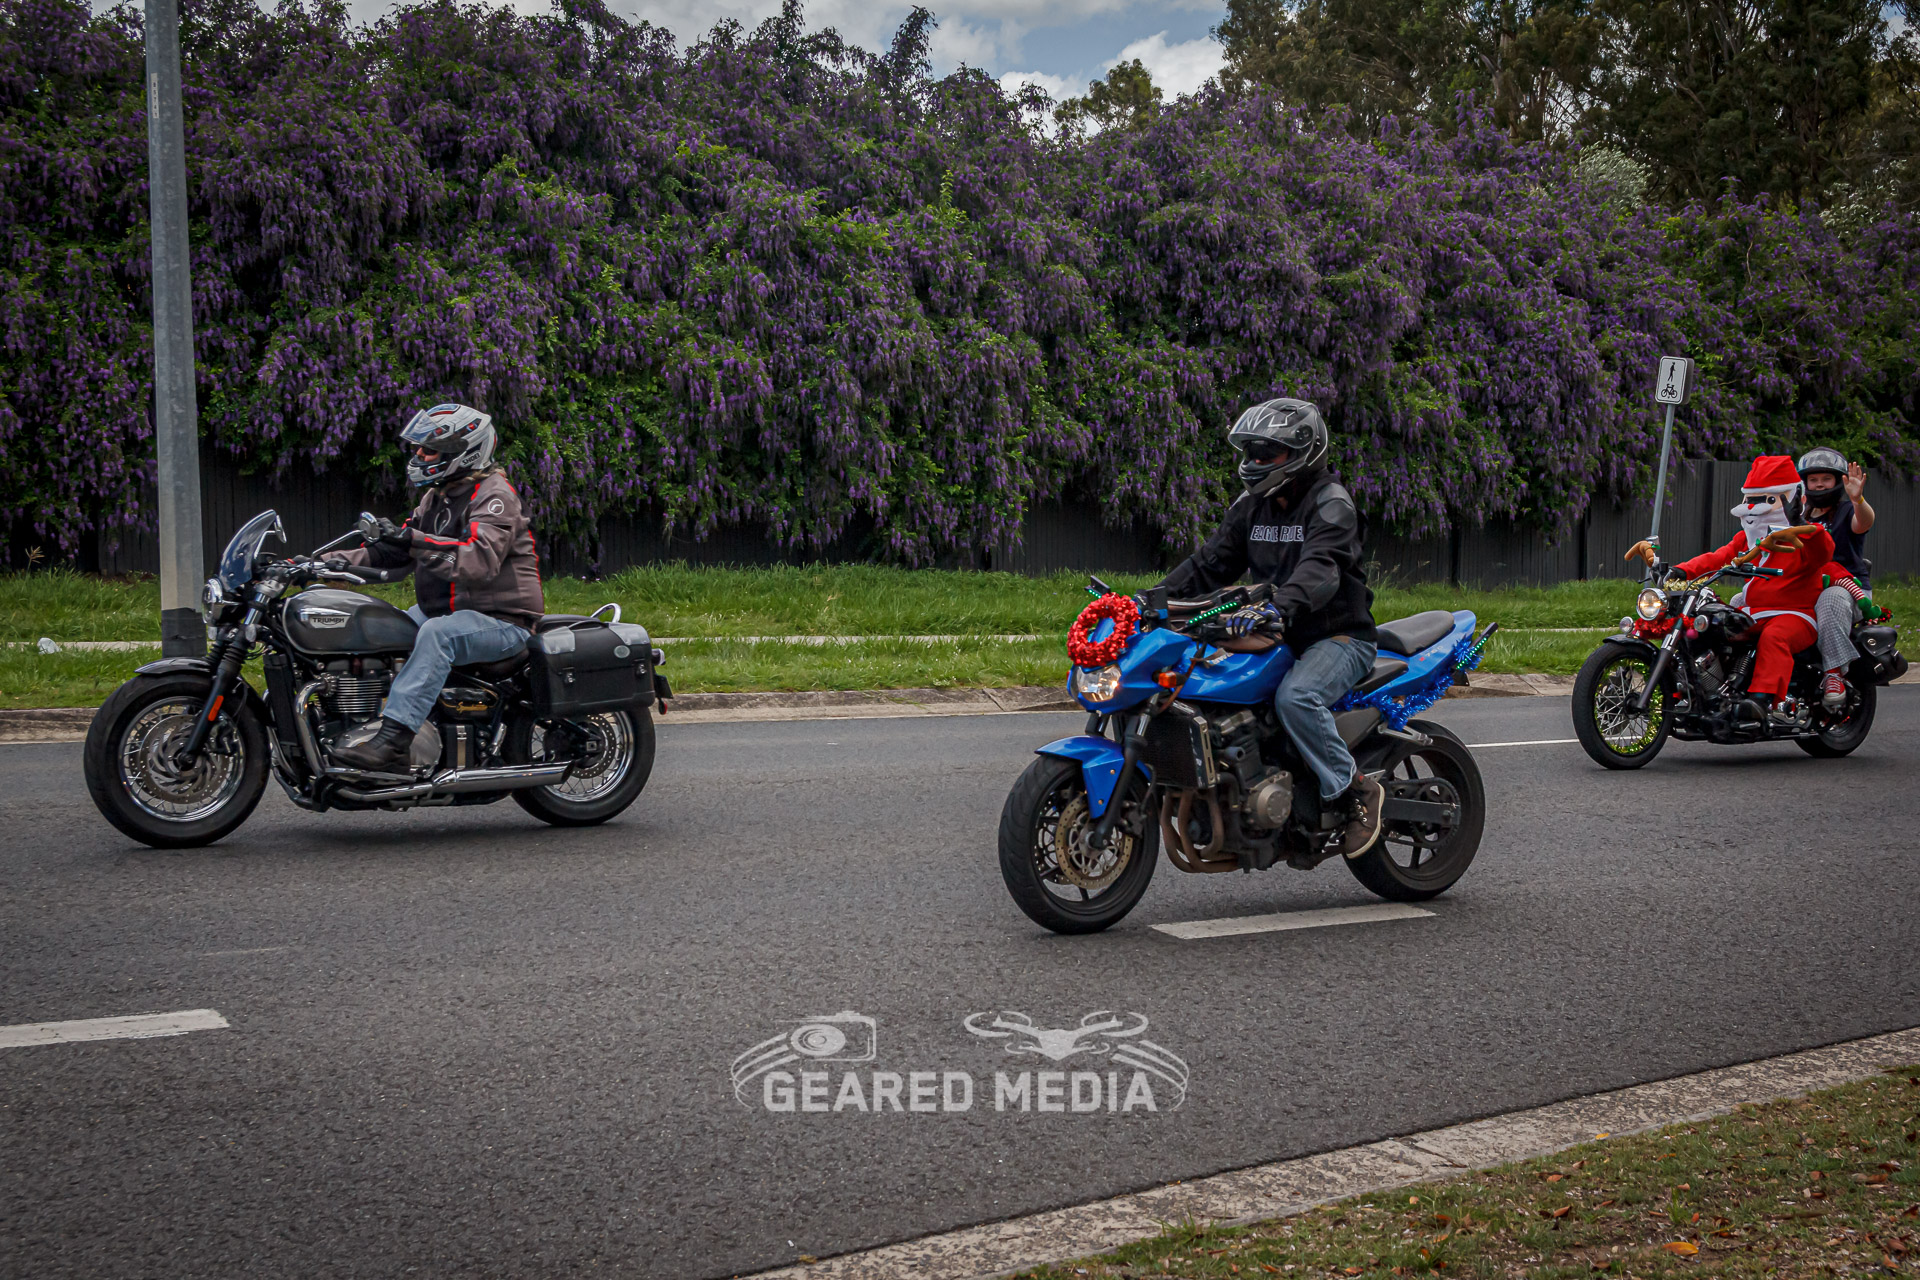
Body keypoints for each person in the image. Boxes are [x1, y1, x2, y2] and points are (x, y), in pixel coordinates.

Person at [1153, 398, 1384, 858]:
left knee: (1297, 698)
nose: (1255, 462)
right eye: (1251, 452)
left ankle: (1355, 790)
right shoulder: (1252, 506)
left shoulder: (1331, 503)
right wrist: (1152, 600)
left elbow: (1321, 569)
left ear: (1303, 452)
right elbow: (1210, 563)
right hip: (1273, 632)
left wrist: (1279, 606)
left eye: (1267, 453)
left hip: (1336, 636)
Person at [330, 404, 545, 771]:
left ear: (465, 452)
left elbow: (477, 561)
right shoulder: (437, 497)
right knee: (380, 628)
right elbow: (395, 551)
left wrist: (412, 540)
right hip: (448, 612)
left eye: (429, 449)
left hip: (502, 620)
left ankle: (393, 743)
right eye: (419, 447)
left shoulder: (495, 496)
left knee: (437, 635)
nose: (419, 455)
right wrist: (321, 563)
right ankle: (361, 725)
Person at [1647, 455, 1839, 723]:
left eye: (1767, 499)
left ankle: (1760, 701)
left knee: (1775, 637)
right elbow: (1719, 557)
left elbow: (1823, 551)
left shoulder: (1804, 536)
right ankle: (1713, 693)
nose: (1753, 507)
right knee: (1714, 628)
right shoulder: (1747, 539)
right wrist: (1681, 571)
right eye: (1751, 499)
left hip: (1795, 614)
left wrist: (1799, 525)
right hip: (1754, 612)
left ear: (1792, 499)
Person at [1797, 448, 1882, 710]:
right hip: (1806, 589)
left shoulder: (1846, 511)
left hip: (1848, 588)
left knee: (1830, 599)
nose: (1819, 484)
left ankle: (1834, 674)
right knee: (1744, 598)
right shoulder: (1797, 517)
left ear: (1837, 481)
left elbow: (1864, 523)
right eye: (1813, 479)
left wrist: (1858, 500)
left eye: (1826, 479)